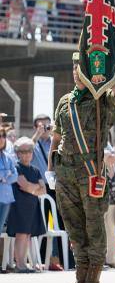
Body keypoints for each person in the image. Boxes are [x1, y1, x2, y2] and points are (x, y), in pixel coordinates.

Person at [51, 52, 115, 283]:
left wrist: (109, 74)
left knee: (93, 224)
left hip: (90, 171)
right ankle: (80, 276)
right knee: (74, 226)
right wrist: (51, 168)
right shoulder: (65, 101)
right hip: (65, 171)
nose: (76, 71)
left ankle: (93, 280)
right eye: (74, 68)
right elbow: (57, 136)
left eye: (81, 67)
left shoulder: (101, 98)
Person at [7, 137, 46, 273]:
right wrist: (36, 188)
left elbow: (44, 190)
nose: (27, 154)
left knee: (28, 234)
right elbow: (24, 186)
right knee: (21, 234)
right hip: (19, 206)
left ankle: (24, 263)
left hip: (31, 206)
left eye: (29, 151)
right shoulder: (16, 167)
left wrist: (33, 188)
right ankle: (20, 264)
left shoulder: (35, 170)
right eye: (23, 151)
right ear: (17, 153)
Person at [31, 113, 64, 271]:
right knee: (44, 224)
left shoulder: (56, 142)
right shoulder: (33, 144)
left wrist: (55, 134)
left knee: (63, 224)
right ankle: (44, 260)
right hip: (43, 188)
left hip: (59, 186)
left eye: (47, 125)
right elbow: (24, 151)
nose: (44, 128)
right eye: (41, 125)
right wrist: (37, 135)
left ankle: (67, 261)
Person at [0, 127, 16, 240]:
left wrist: (3, 177)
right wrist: (7, 174)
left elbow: (15, 176)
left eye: (3, 136)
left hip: (6, 199)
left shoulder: (8, 157)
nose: (1, 139)